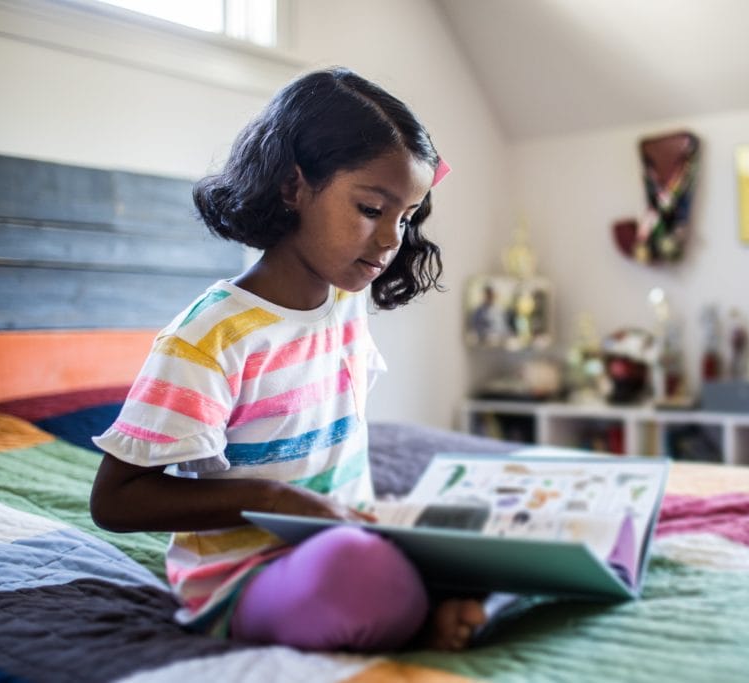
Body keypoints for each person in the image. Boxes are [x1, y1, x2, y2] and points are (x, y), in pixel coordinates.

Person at [89, 67, 485, 652]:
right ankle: (423, 614)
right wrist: (274, 500)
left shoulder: (347, 302)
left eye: (404, 219)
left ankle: (431, 596)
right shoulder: (209, 336)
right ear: (292, 188)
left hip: (344, 533)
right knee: (357, 572)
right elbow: (115, 500)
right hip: (247, 578)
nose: (390, 241)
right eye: (371, 209)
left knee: (482, 526)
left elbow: (417, 173)